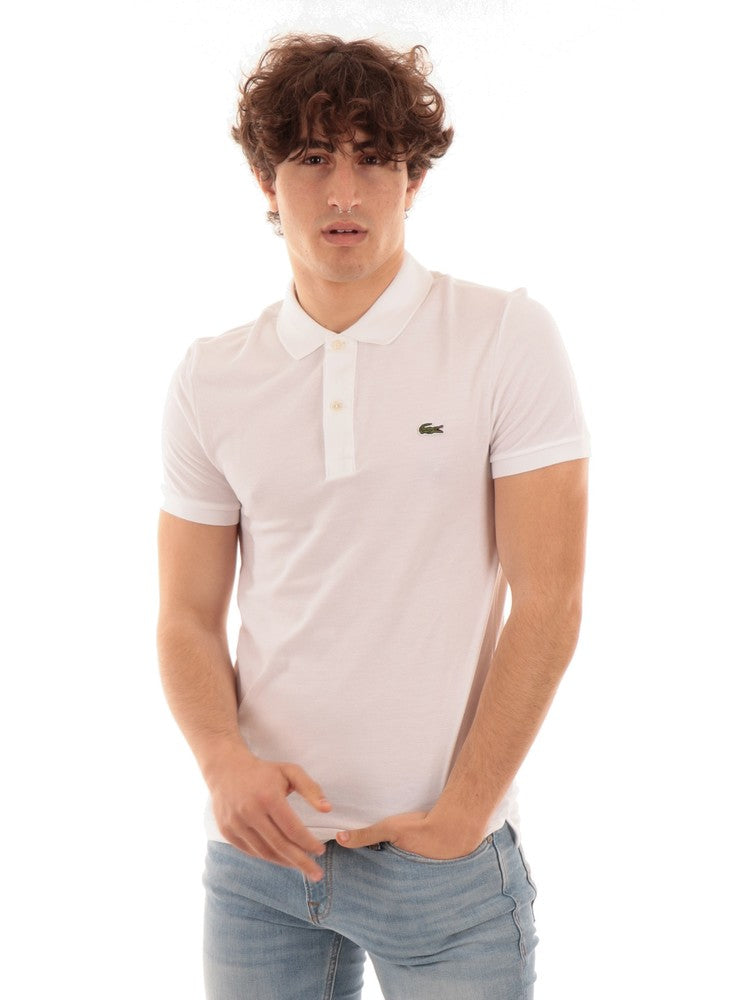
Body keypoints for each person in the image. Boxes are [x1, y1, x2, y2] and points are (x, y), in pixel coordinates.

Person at [157, 32, 590, 1000]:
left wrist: (464, 813)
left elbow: (550, 599)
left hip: (444, 866)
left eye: (374, 159)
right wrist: (223, 762)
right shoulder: (212, 375)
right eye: (313, 158)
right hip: (259, 863)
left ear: (413, 180)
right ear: (267, 180)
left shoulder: (504, 337)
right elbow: (185, 613)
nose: (343, 192)